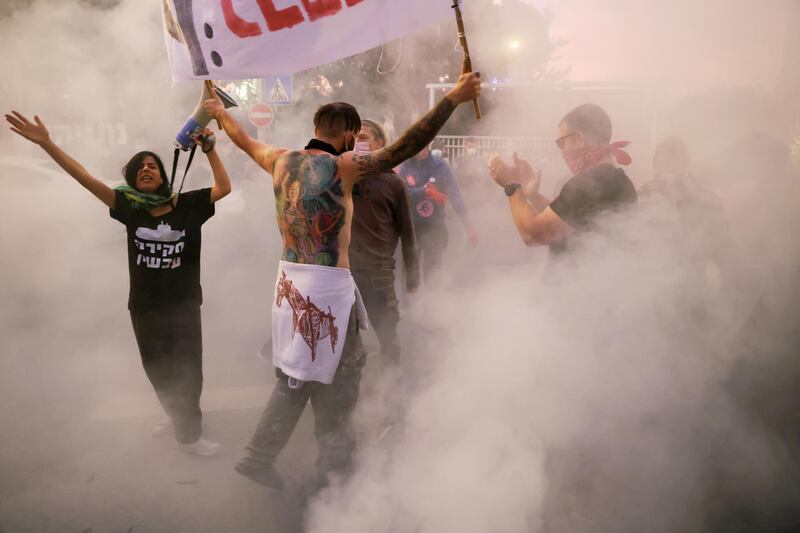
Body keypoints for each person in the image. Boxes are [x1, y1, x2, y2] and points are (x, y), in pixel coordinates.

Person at [204, 71, 481, 489]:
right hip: (329, 289)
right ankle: (336, 470)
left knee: (295, 372)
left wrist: (217, 112)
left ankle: (258, 455)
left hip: (289, 285)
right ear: (350, 135)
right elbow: (404, 147)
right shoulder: (345, 165)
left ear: (315, 129)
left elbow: (242, 139)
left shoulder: (279, 159)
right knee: (344, 371)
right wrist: (453, 99)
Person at [4, 110, 232, 456]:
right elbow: (84, 177)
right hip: (144, 307)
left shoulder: (187, 205)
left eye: (152, 165)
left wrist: (210, 149)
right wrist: (47, 143)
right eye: (138, 167)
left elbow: (224, 188)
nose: (145, 169)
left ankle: (189, 438)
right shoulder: (129, 207)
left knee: (189, 373)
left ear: (163, 175)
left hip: (184, 306)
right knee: (157, 371)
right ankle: (175, 414)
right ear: (130, 178)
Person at [489, 103, 637, 263]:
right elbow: (565, 219)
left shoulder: (594, 182)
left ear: (578, 139)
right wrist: (533, 195)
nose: (563, 150)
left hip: (580, 286)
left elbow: (533, 234)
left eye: (562, 143)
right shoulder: (614, 179)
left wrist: (511, 187)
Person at [350, 119, 419, 369]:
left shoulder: (393, 183)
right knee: (346, 336)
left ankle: (392, 388)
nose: (358, 143)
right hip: (344, 273)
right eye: (355, 137)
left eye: (364, 138)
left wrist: (412, 276)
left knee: (387, 334)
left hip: (378, 273)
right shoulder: (342, 176)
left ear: (380, 143)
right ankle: (350, 388)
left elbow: (408, 234)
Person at [398, 145, 478, 284]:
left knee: (433, 271)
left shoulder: (440, 167)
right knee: (410, 272)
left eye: (424, 142)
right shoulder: (405, 167)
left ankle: (432, 303)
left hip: (435, 227)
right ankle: (409, 304)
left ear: (428, 144)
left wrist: (469, 225)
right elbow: (400, 194)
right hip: (411, 228)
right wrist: (425, 191)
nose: (420, 146)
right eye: (417, 142)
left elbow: (456, 196)